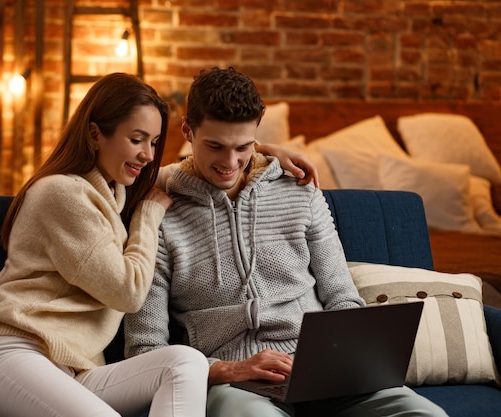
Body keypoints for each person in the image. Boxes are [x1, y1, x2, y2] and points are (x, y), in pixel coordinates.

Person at [0, 72, 318, 417]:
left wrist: (261, 155)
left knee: (186, 361)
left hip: (76, 373)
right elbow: (127, 293)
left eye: (153, 142)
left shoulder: (117, 190)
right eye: (137, 140)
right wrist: (148, 216)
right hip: (14, 357)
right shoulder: (62, 193)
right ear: (95, 135)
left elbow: (195, 172)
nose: (148, 155)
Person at [123, 67, 449, 417]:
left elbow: (342, 297)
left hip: (322, 372)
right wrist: (225, 370)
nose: (229, 163)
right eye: (215, 146)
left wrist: (341, 361)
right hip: (234, 384)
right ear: (187, 130)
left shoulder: (300, 191)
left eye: (243, 147)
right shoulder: (158, 213)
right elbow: (146, 349)